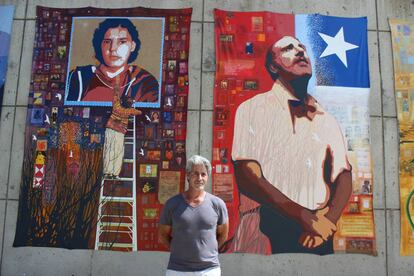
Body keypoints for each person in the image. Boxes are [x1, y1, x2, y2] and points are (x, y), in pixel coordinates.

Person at [231, 36, 352, 254]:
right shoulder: (252, 109)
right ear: (273, 66)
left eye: (302, 47)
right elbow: (247, 175)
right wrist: (304, 217)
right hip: (267, 229)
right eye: (289, 48)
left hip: (319, 233)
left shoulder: (327, 118)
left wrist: (327, 223)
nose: (300, 51)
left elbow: (343, 176)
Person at [159, 155, 229, 276]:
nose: (199, 178)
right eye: (195, 174)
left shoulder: (217, 204)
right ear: (187, 175)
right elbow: (163, 235)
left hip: (209, 269)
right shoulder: (172, 204)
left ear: (207, 177)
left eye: (203, 174)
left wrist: (208, 252)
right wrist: (180, 251)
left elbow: (223, 234)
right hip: (177, 269)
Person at [66, 18, 159, 104]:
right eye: (107, 41)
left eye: (122, 42)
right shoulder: (78, 77)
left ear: (133, 46)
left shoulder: (145, 82)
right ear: (100, 45)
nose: (113, 48)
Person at [103, 78, 141, 179]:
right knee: (118, 152)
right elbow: (138, 112)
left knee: (109, 151)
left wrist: (117, 85)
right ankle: (115, 173)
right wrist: (136, 109)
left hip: (110, 129)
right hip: (119, 132)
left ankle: (107, 172)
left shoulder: (116, 105)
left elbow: (116, 94)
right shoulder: (129, 111)